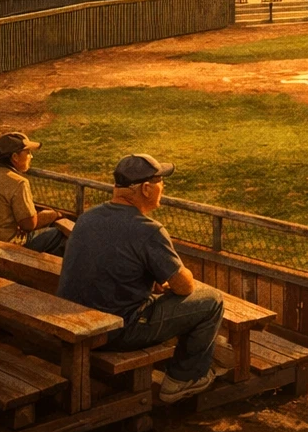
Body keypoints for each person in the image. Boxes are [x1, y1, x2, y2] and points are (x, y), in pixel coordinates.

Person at [57, 154, 224, 402]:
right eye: (159, 181)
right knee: (213, 300)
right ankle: (181, 380)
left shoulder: (87, 217)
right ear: (146, 188)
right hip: (116, 331)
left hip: (75, 325)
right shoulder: (148, 229)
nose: (162, 186)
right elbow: (184, 286)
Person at [0, 132, 71, 254]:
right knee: (58, 235)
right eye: (28, 152)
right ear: (15, 157)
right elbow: (29, 225)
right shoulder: (18, 182)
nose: (31, 156)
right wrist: (52, 215)